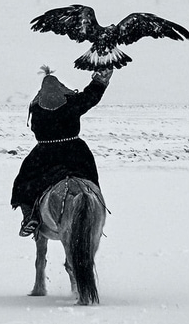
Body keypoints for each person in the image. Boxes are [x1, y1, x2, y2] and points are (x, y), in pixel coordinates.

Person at [10, 65, 113, 236]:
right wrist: (100, 80)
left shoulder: (36, 106)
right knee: (90, 179)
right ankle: (95, 210)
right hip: (76, 152)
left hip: (45, 154)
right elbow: (91, 96)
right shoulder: (72, 102)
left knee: (23, 182)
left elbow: (35, 130)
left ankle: (29, 216)